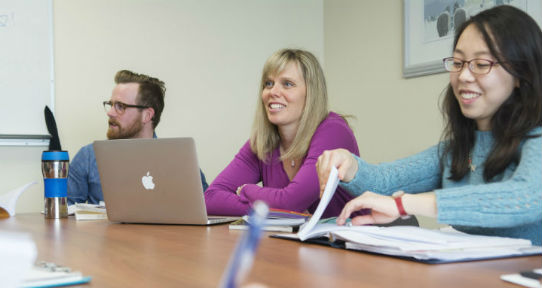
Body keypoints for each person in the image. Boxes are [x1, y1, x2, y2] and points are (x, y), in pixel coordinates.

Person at [316, 5, 542, 245]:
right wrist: (350, 166)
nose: (464, 76)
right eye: (458, 62)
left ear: (520, 73)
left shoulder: (536, 138)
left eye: (482, 64)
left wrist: (404, 204)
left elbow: (528, 197)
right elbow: (386, 181)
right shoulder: (456, 150)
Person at [205, 49, 362, 217]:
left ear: (312, 93)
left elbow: (290, 202)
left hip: (346, 241)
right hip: (290, 241)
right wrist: (268, 210)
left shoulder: (333, 132)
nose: (273, 92)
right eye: (268, 83)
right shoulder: (264, 141)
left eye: (287, 84)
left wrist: (247, 191)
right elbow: (210, 199)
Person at [68, 70, 209, 204]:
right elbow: (64, 217)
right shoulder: (88, 157)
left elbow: (207, 210)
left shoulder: (180, 160)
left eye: (120, 106)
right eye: (111, 104)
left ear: (147, 115)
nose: (110, 112)